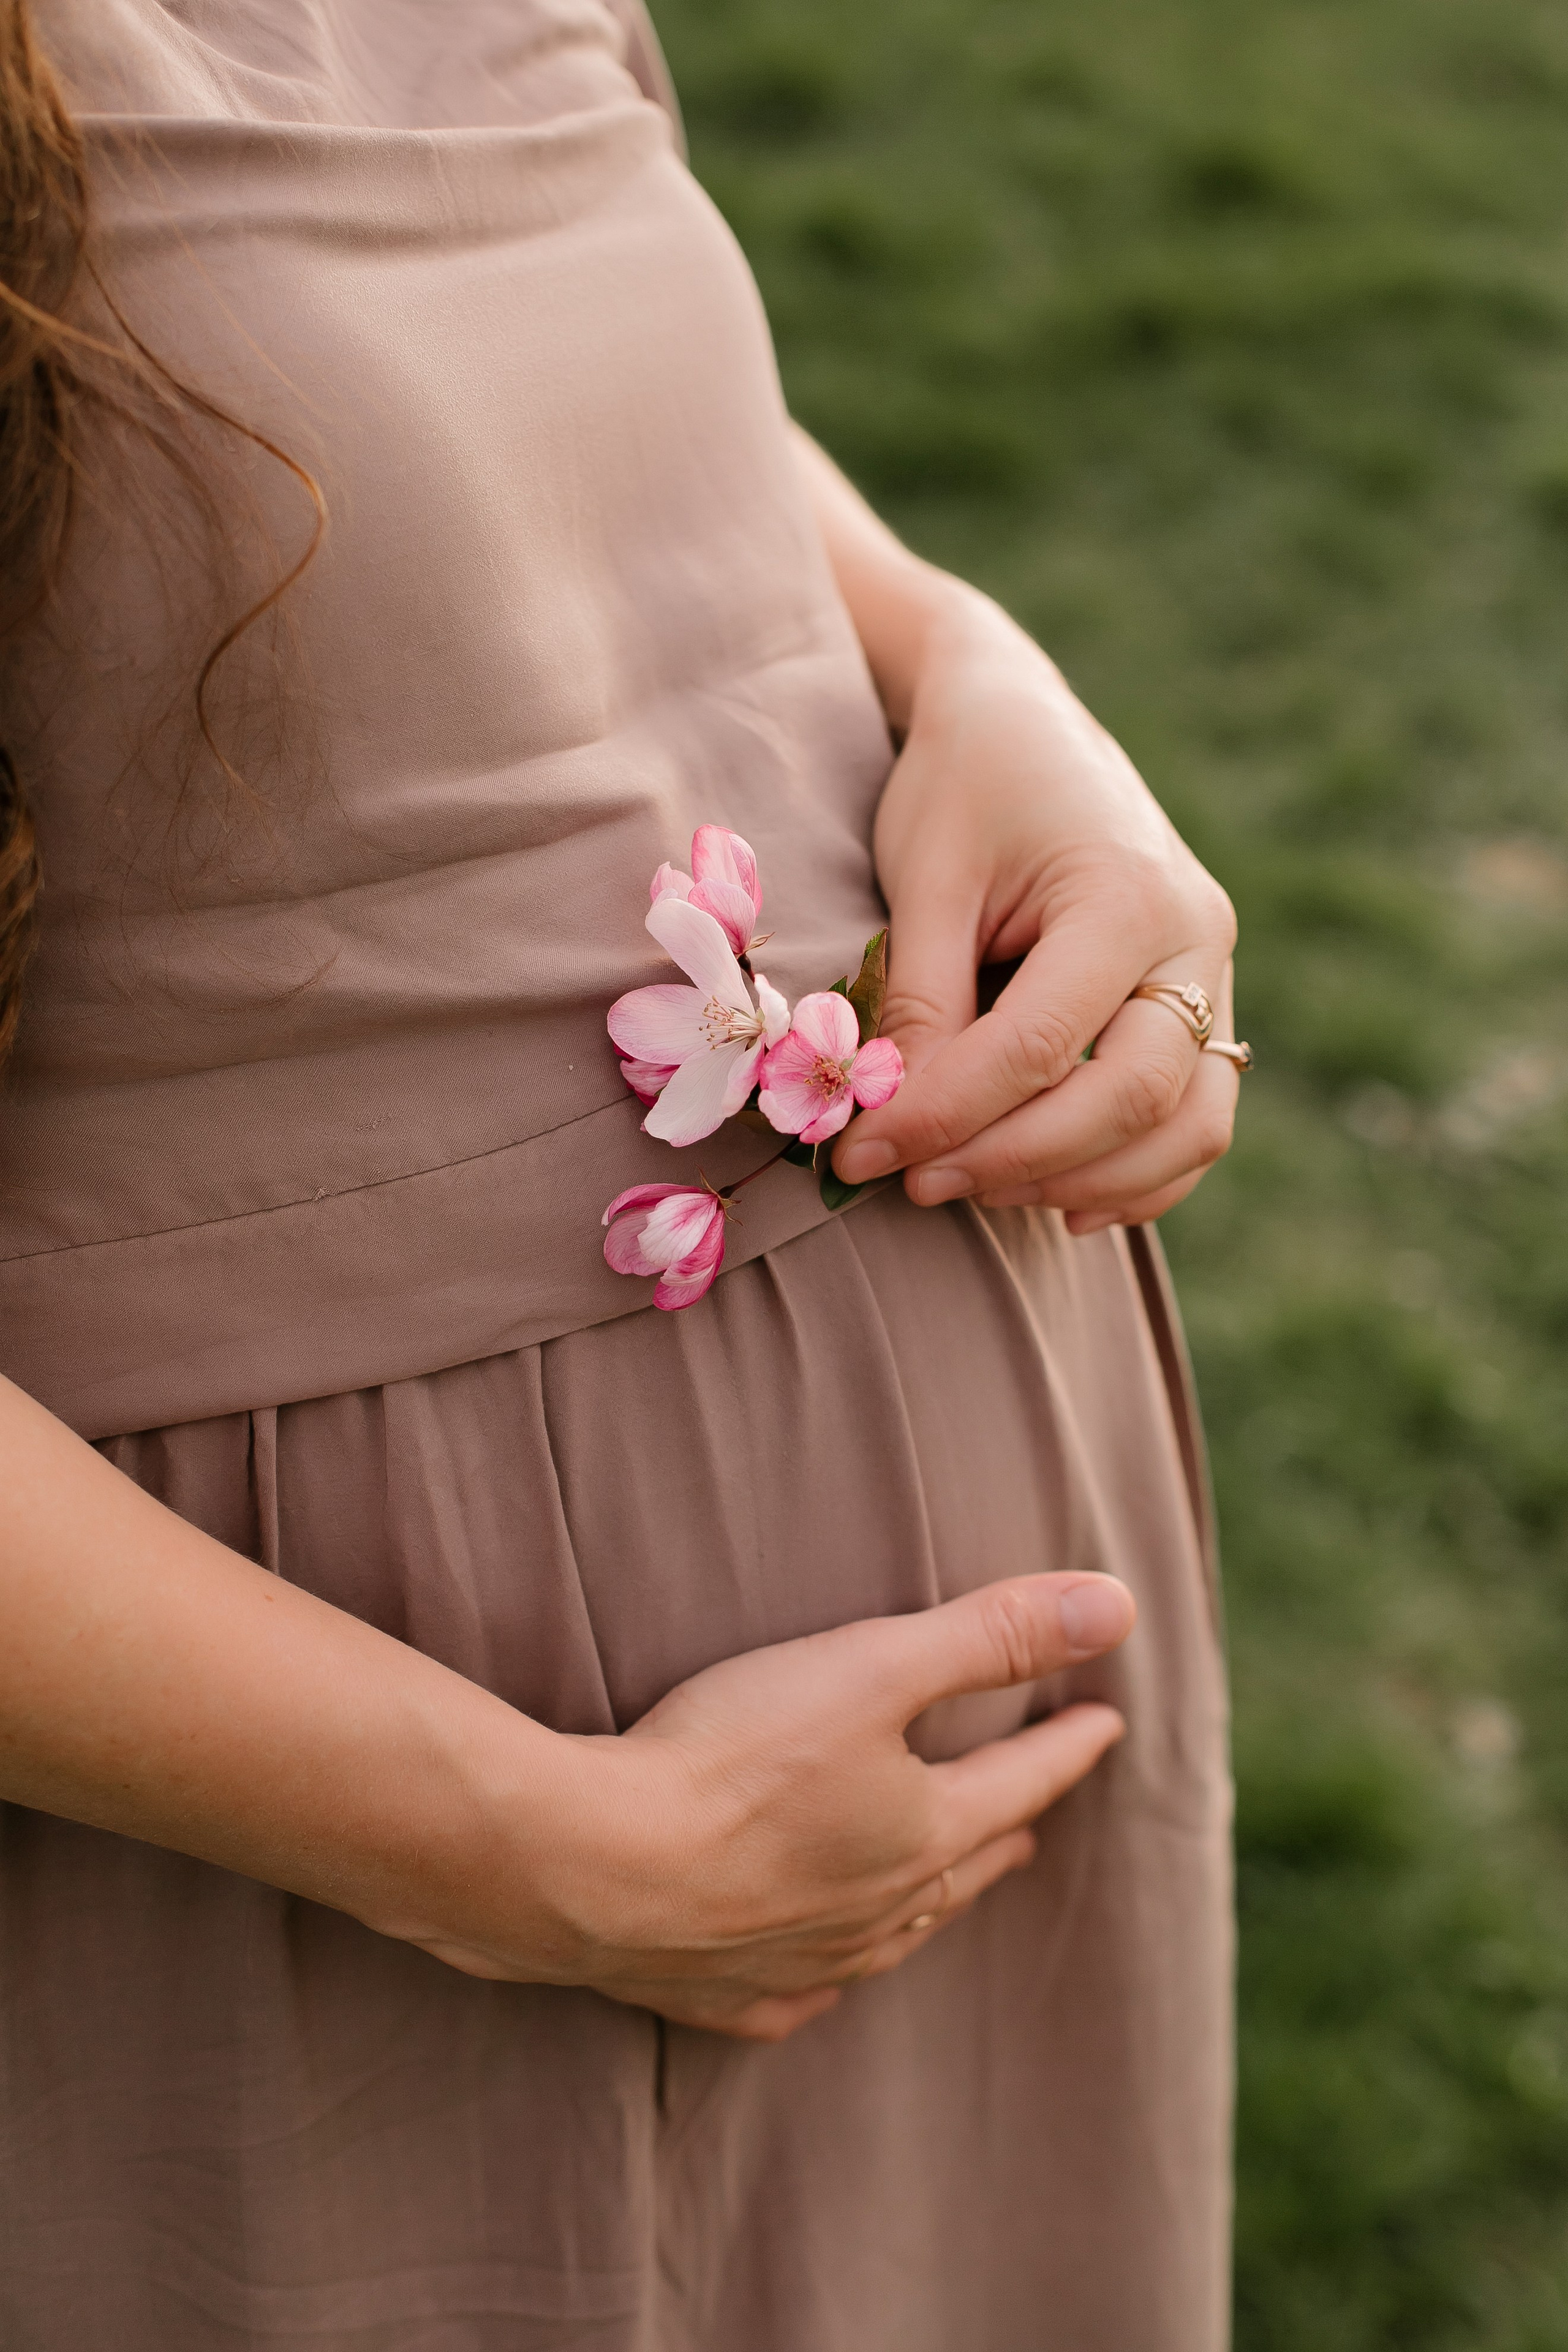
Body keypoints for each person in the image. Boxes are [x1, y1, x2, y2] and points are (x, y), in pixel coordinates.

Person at [0, 2, 1237, 2345]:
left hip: (922, 1842)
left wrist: (973, 675)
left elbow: (558, 373)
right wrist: (522, 1850)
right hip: (299, 1873)